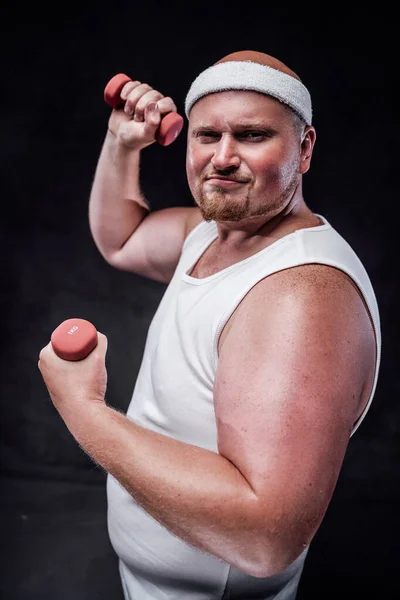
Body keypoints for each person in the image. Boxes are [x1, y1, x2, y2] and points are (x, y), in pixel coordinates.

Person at [38, 50, 381, 599]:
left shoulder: (300, 295)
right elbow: (120, 239)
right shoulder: (213, 232)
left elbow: (266, 540)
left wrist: (83, 411)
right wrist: (122, 144)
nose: (222, 158)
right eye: (206, 136)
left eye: (250, 136)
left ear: (305, 149)